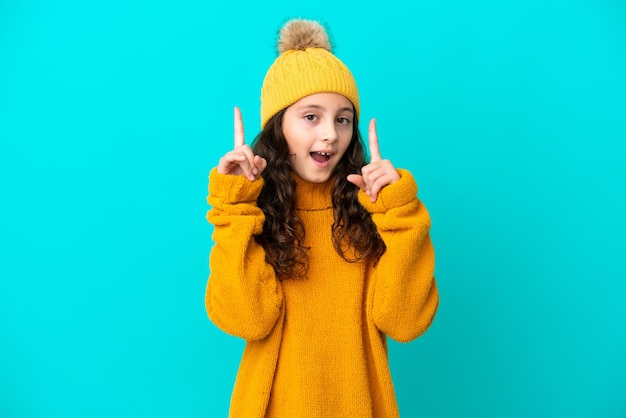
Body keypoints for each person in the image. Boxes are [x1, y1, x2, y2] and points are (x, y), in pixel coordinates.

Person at [205, 18, 439, 418]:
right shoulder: (252, 214)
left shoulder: (375, 211)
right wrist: (234, 209)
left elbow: (405, 322)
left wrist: (400, 214)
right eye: (311, 117)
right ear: (278, 126)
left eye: (343, 118)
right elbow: (247, 319)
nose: (330, 133)